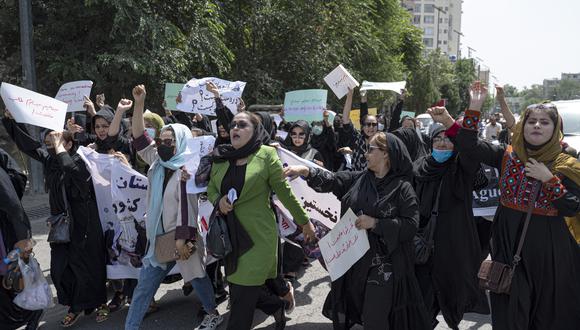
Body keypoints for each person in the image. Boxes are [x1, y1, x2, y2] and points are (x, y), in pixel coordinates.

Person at [428, 82, 580, 330]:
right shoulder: (508, 156)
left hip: (550, 256)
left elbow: (573, 207)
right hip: (508, 250)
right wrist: (474, 106)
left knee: (547, 316)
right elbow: (469, 145)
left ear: (555, 129)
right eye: (532, 121)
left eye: (544, 122)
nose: (537, 126)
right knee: (509, 315)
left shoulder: (566, 164)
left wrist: (549, 180)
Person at [284, 132, 430, 330]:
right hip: (354, 263)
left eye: (371, 149)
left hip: (383, 266)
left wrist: (376, 223)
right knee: (359, 310)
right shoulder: (359, 179)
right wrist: (306, 171)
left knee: (374, 319)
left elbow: (411, 226)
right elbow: (333, 180)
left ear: (386, 154)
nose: (365, 154)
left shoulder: (403, 188)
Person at [207, 111, 316, 330]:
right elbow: (211, 189)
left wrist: (305, 222)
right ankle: (276, 305)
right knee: (240, 292)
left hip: (258, 240)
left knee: (241, 303)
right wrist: (218, 201)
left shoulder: (266, 155)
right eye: (233, 125)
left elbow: (285, 193)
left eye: (242, 124)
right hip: (231, 238)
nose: (235, 128)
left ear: (255, 131)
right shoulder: (221, 157)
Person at [125, 85, 221, 330]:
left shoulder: (188, 170)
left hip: (181, 237)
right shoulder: (157, 161)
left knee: (197, 279)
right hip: (158, 239)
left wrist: (182, 240)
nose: (163, 144)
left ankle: (212, 312)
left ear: (181, 142)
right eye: (161, 140)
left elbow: (189, 209)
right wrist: (139, 103)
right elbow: (137, 137)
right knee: (144, 287)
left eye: (169, 141)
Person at [3, 112, 108, 326]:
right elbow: (29, 146)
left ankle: (97, 303)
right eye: (49, 143)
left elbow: (71, 170)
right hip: (61, 225)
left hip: (84, 223)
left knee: (88, 266)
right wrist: (11, 121)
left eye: (56, 142)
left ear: (69, 144)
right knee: (60, 269)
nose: (50, 147)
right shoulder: (51, 160)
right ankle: (74, 304)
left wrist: (60, 148)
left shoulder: (82, 160)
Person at [412, 89, 491, 328]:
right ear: (430, 141)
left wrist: (473, 107)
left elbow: (470, 146)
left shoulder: (462, 168)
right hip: (424, 245)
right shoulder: (419, 168)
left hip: (454, 246)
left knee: (454, 297)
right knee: (421, 303)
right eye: (437, 138)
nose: (442, 142)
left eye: (448, 139)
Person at [0, 147, 43, 330]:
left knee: (15, 275)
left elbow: (13, 207)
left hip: (7, 231)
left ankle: (33, 311)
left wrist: (23, 240)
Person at [341, 89, 379, 171]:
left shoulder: (381, 142)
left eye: (374, 124)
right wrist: (350, 95)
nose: (371, 127)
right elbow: (345, 119)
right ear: (363, 126)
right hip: (358, 181)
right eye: (368, 124)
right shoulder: (357, 139)